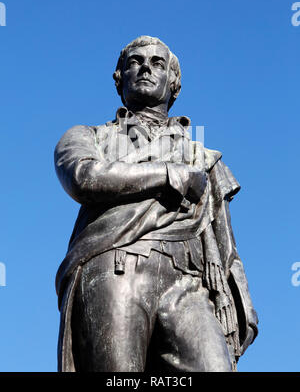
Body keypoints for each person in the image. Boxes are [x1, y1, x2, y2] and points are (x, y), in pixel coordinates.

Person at [54, 36, 258, 372]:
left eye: (157, 63)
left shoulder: (201, 156)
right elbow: (83, 176)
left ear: (173, 83)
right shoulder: (88, 135)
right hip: (117, 266)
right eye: (135, 61)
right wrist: (167, 174)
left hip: (189, 281)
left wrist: (240, 302)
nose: (146, 67)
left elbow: (225, 241)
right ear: (120, 78)